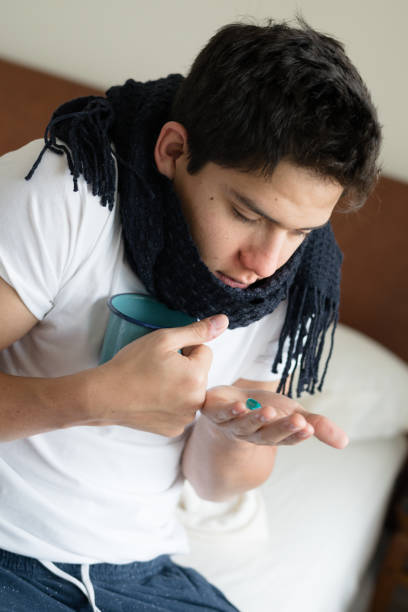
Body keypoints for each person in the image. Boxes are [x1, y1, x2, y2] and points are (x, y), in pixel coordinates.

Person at [0, 17, 381, 612]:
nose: (264, 261)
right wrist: (92, 398)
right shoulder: (69, 189)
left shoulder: (295, 275)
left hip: (138, 575)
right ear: (174, 150)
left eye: (300, 232)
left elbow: (214, 481)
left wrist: (234, 433)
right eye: (247, 213)